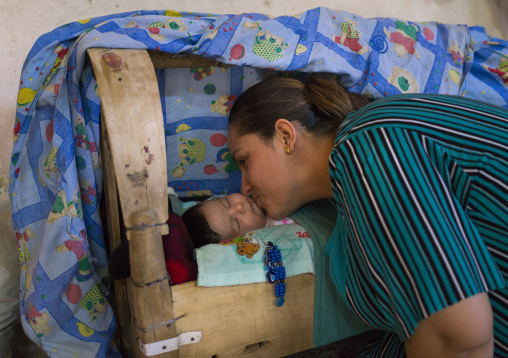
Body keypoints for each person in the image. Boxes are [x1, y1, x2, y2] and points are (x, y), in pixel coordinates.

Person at [227, 74, 508, 357]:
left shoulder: (367, 144)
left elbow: (457, 339)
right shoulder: (352, 191)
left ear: (285, 136)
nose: (244, 188)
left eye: (243, 160)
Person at [181, 193, 294, 248]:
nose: (239, 207)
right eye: (236, 222)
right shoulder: (276, 237)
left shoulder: (256, 189)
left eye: (226, 202)